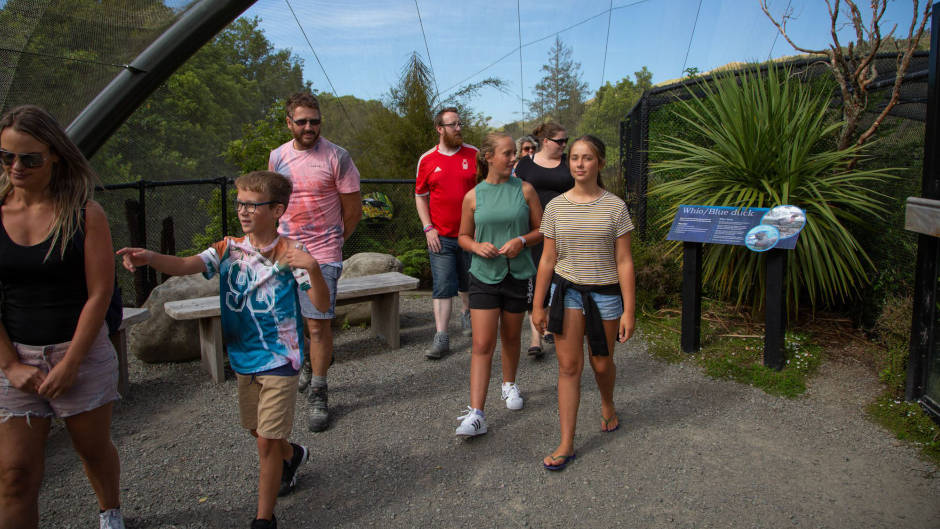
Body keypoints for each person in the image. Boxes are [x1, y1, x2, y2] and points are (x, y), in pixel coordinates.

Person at [118, 170, 329, 529]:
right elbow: (186, 265)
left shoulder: (292, 253)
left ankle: (264, 519)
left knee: (265, 442)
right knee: (257, 431)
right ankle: (292, 456)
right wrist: (150, 257)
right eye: (240, 204)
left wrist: (313, 268)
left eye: (252, 204)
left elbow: (321, 304)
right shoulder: (228, 248)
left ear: (277, 209)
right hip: (244, 358)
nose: (243, 211)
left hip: (281, 357)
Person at [0, 105, 124, 529]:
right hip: (17, 357)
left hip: (79, 352)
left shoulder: (84, 214)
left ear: (54, 155)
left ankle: (110, 511)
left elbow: (99, 293)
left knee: (92, 449)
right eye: (7, 157)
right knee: (14, 475)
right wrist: (11, 364)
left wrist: (71, 363)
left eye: (29, 158)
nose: (17, 167)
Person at [532, 135, 636, 471]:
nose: (579, 163)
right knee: (568, 367)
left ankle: (607, 402)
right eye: (574, 157)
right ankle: (567, 443)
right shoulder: (556, 207)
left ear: (600, 163)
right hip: (567, 294)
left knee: (602, 364)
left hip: (605, 296)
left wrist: (629, 310)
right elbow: (547, 259)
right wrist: (538, 305)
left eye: (587, 157)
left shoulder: (615, 207)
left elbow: (625, 261)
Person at [269, 92, 362, 432]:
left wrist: (333, 245)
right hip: (284, 256)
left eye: (315, 120)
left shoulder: (337, 157)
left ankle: (319, 390)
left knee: (318, 324)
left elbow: (352, 210)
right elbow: (273, 203)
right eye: (302, 121)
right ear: (289, 122)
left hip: (320, 259)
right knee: (292, 324)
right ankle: (309, 363)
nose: (309, 127)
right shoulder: (277, 157)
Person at [454, 132, 543, 437]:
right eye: (506, 154)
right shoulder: (474, 195)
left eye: (514, 153)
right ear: (488, 157)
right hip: (483, 276)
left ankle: (509, 384)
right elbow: (463, 236)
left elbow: (541, 229)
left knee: (511, 336)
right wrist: (477, 247)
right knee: (481, 344)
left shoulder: (526, 189)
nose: (512, 158)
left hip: (517, 274)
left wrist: (521, 241)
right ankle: (477, 413)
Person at [415, 107, 477, 359]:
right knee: (442, 285)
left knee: (469, 282)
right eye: (453, 125)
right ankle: (441, 337)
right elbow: (420, 196)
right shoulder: (427, 159)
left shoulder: (474, 154)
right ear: (439, 129)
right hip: (440, 236)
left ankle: (467, 314)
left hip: (471, 235)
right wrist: (427, 227)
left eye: (460, 123)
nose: (459, 128)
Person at [514, 122, 574, 358]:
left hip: (565, 230)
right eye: (560, 141)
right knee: (535, 278)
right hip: (535, 230)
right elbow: (515, 195)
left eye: (566, 141)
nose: (564, 145)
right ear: (546, 141)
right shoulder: (525, 165)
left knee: (559, 279)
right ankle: (535, 336)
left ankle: (550, 324)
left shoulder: (569, 162)